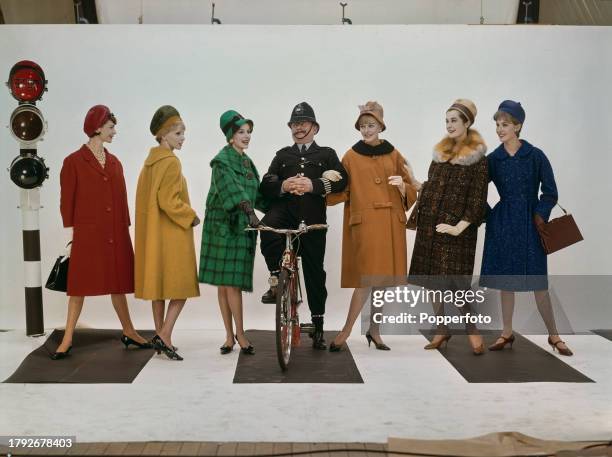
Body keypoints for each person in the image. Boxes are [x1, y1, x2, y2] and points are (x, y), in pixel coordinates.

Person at [53, 105, 150, 360]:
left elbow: (122, 198)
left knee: (117, 284)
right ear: (96, 128)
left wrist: (125, 228)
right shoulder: (73, 161)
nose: (114, 132)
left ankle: (129, 330)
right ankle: (67, 338)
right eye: (110, 127)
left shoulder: (115, 162)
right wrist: (70, 237)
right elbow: (67, 201)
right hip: (87, 234)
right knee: (78, 287)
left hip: (114, 233)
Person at [480, 100, 573, 356]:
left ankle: (554, 335)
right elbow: (476, 192)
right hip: (504, 224)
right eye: (497, 124)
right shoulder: (493, 159)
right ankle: (506, 333)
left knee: (538, 282)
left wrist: (540, 215)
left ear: (518, 125)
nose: (499, 129)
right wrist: (492, 216)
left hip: (531, 225)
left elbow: (551, 192)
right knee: (505, 281)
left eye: (505, 124)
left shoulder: (535, 155)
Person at [326, 101, 418, 352]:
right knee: (366, 281)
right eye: (363, 126)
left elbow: (412, 188)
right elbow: (340, 192)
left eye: (371, 125)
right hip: (366, 226)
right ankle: (346, 330)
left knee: (383, 282)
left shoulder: (394, 154)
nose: (366, 130)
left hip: (390, 224)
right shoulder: (350, 156)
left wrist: (403, 187)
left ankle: (374, 330)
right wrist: (326, 183)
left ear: (380, 126)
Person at [259, 102, 348, 350]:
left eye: (303, 123)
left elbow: (342, 181)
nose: (299, 128)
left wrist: (314, 185)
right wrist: (284, 185)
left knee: (314, 274)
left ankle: (318, 325)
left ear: (314, 128)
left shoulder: (327, 154)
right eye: (295, 124)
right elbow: (266, 183)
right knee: (266, 227)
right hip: (284, 213)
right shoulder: (282, 155)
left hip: (312, 219)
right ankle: (276, 280)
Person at [409, 99, 488, 355]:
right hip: (432, 228)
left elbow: (478, 199)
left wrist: (459, 227)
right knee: (433, 281)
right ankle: (441, 328)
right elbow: (431, 187)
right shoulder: (439, 155)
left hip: (458, 232)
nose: (449, 125)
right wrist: (412, 182)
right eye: (447, 120)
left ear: (467, 123)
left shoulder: (478, 159)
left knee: (456, 284)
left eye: (454, 120)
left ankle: (472, 329)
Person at [199, 110, 268, 355]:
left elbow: (257, 193)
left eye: (248, 132)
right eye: (241, 132)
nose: (247, 136)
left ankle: (231, 335)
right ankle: (237, 334)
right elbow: (233, 189)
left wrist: (279, 203)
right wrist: (248, 210)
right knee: (228, 284)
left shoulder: (247, 162)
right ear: (230, 135)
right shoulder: (222, 161)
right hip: (223, 228)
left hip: (241, 226)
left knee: (228, 284)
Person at [134, 105, 200, 361]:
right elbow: (168, 200)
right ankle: (165, 335)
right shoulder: (171, 161)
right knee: (180, 288)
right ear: (163, 135)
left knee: (159, 288)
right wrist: (190, 216)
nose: (183, 138)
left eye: (183, 133)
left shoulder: (149, 163)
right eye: (178, 133)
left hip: (154, 236)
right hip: (172, 235)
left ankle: (161, 334)